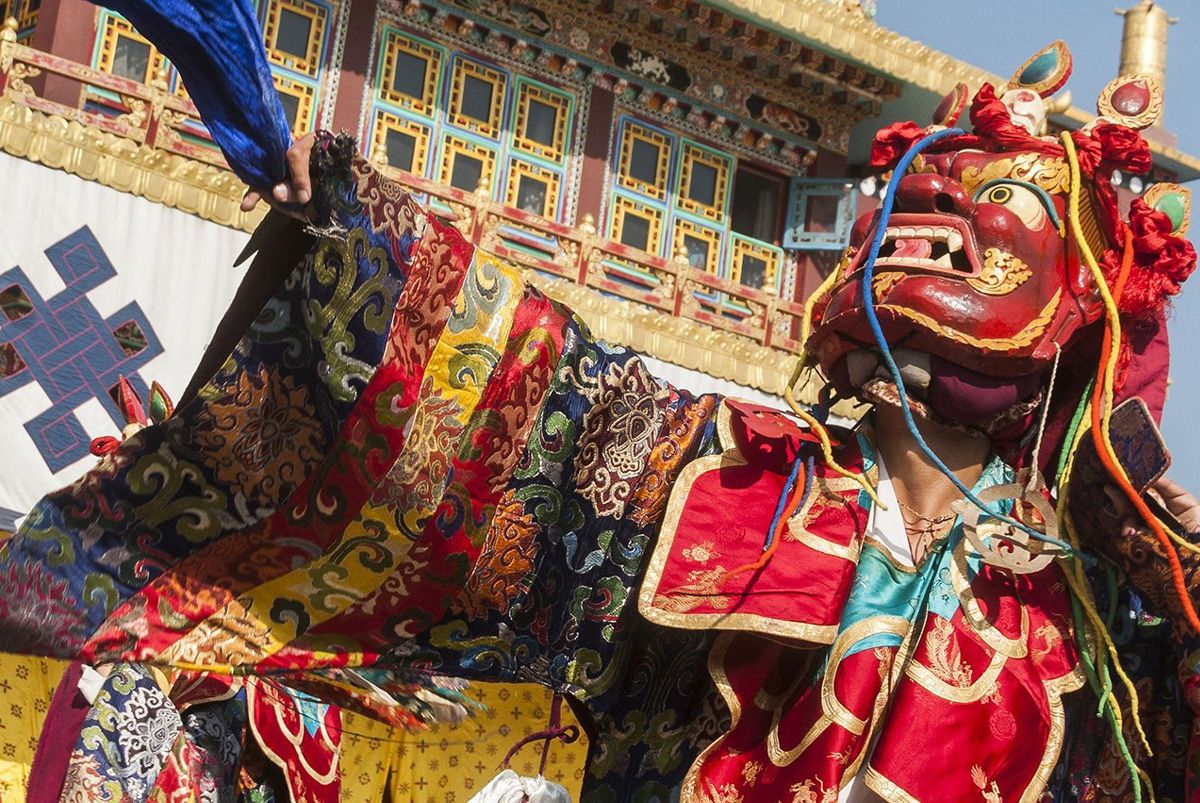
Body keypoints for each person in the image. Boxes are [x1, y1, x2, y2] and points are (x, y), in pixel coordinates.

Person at [2, 11, 1199, 800]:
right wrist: (356, 235)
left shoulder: (1098, 608)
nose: (913, 235)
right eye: (905, 207)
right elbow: (521, 401)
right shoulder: (730, 477)